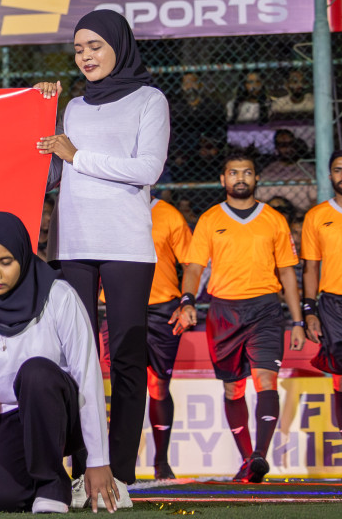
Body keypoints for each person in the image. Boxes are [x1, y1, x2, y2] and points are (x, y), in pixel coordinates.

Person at [35, 9, 167, 498]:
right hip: (73, 244)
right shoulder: (72, 106)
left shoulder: (149, 99)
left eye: (95, 45)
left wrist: (76, 156)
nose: (86, 56)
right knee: (75, 359)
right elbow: (53, 171)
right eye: (78, 49)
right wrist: (39, 114)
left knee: (129, 359)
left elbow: (147, 169)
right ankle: (82, 471)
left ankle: (123, 477)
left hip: (127, 244)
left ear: (119, 45)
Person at [0, 212, 116, 515]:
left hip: (62, 412)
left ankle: (53, 484)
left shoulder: (59, 297)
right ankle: (40, 482)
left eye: (5, 262)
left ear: (23, 256)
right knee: (2, 499)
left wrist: (97, 461)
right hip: (12, 416)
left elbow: (87, 375)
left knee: (36, 372)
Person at [172, 152, 304, 483]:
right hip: (223, 311)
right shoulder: (209, 219)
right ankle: (248, 459)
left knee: (265, 380)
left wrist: (298, 320)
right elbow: (194, 267)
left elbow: (288, 273)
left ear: (256, 178)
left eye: (247, 173)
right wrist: (187, 300)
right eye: (233, 173)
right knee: (233, 389)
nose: (240, 178)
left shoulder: (273, 218)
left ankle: (259, 453)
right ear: (223, 180)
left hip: (264, 309)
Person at [302, 150, 342, 482]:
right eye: (339, 170)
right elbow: (311, 267)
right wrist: (310, 310)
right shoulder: (316, 216)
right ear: (330, 177)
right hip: (334, 307)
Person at [143, 195, 193, 479]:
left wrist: (187, 302)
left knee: (159, 386)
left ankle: (161, 462)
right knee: (127, 385)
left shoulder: (169, 215)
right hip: (116, 305)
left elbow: (192, 262)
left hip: (163, 309)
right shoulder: (108, 207)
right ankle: (115, 462)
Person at [170, 73, 225, 167]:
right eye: (186, 83)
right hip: (184, 153)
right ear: (182, 87)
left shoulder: (212, 106)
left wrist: (215, 147)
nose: (189, 86)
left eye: (193, 82)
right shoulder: (176, 108)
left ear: (200, 85)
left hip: (208, 152)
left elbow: (221, 130)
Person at [261, 131, 316, 211]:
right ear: (277, 148)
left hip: (303, 214)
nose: (288, 148)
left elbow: (315, 200)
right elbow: (262, 201)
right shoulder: (269, 171)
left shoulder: (308, 169)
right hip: (275, 215)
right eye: (283, 145)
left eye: (291, 144)